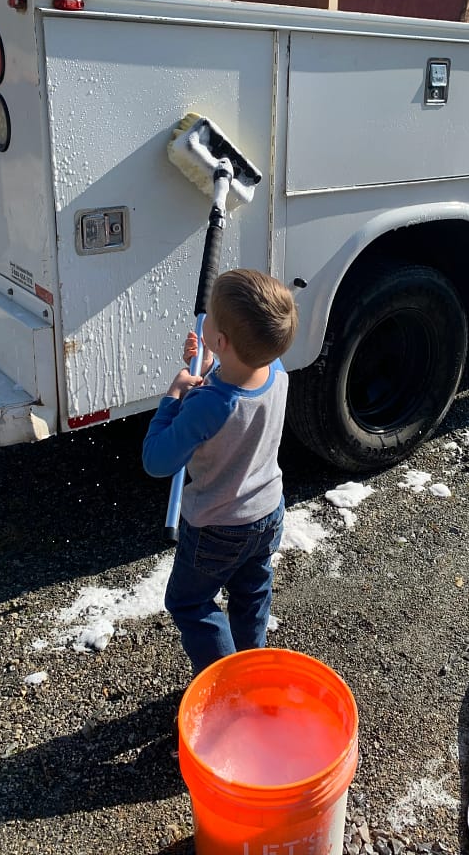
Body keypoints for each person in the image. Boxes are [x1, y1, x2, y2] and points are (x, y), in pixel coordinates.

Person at [142, 268, 299, 676]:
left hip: (217, 526)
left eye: (209, 318)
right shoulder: (276, 371)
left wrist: (174, 396)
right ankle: (251, 664)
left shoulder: (206, 404)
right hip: (267, 513)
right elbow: (240, 379)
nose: (203, 320)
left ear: (224, 341)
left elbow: (157, 460)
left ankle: (229, 681)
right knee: (251, 592)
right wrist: (212, 362)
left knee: (189, 602)